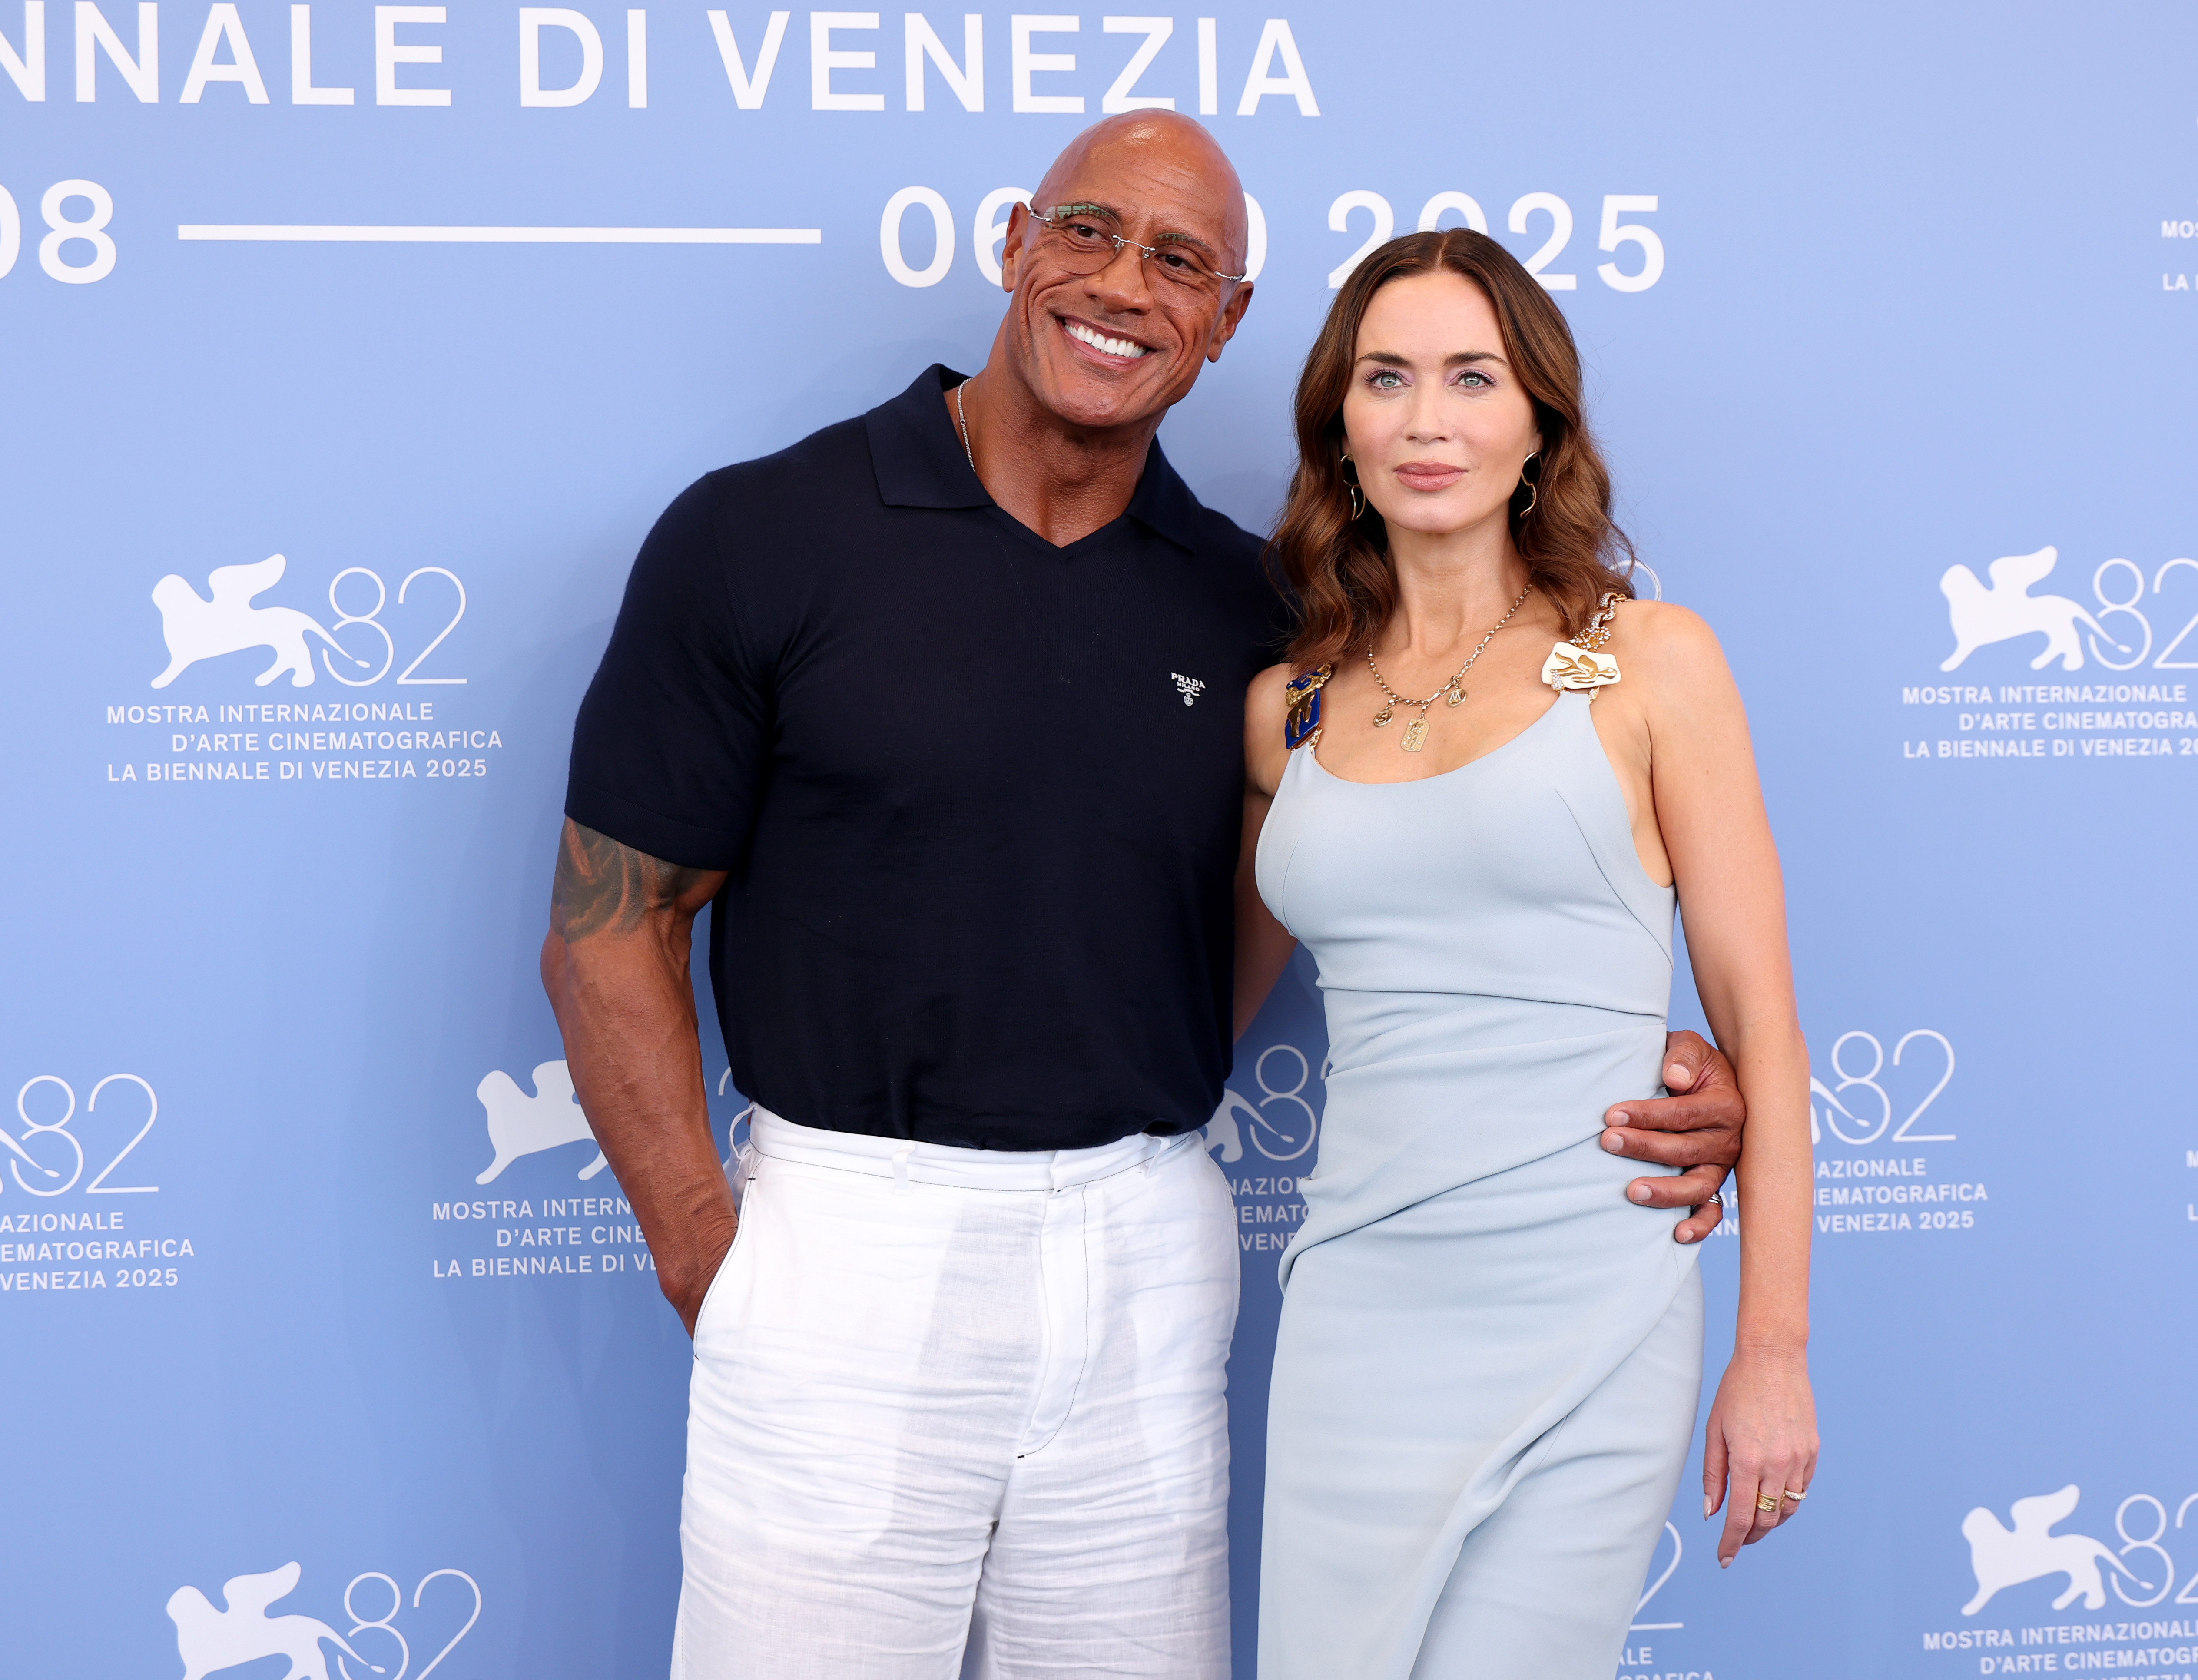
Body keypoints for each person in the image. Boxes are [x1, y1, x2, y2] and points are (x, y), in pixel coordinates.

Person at [544, 113, 1748, 1680]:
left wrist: (1657, 1063)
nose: (1123, 284)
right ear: (1014, 244)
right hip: (845, 1244)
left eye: (1180, 261)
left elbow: (1415, 869)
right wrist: (715, 1256)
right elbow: (610, 922)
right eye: (1088, 230)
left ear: (1227, 322)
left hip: (1149, 1254)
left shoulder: (1261, 615)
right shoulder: (759, 534)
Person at [1239, 228, 1818, 1679]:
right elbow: (1198, 995)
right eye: (1386, 378)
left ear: (1540, 427)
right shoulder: (1285, 708)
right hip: (1358, 1310)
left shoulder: (1653, 659)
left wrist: (1773, 1353)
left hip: (1589, 1299)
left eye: (1472, 377)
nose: (1426, 420)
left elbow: (1762, 1024)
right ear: (1340, 426)